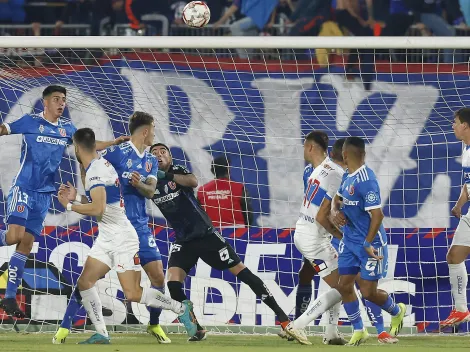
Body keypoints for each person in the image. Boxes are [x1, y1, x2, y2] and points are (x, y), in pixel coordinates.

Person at [149, 143, 310, 344]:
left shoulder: (177, 172)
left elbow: (192, 181)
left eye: (163, 151)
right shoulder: (151, 183)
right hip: (183, 240)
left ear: (170, 157)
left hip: (206, 235)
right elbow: (142, 190)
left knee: (244, 274)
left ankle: (285, 321)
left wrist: (167, 176)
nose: (158, 155)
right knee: (173, 283)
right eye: (154, 153)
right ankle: (197, 329)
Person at [55, 128, 197, 344]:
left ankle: (179, 308)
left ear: (76, 148)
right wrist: (80, 198)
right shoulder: (100, 164)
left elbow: (99, 209)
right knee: (85, 282)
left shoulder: (96, 170)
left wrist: (68, 204)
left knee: (132, 293)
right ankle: (102, 333)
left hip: (122, 236)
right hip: (107, 235)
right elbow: (104, 202)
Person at [0, 85, 124, 319]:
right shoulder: (30, 121)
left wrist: (113, 142)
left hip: (44, 195)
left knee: (25, 245)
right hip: (23, 188)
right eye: (56, 99)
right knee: (14, 236)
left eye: (63, 100)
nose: (61, 103)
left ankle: (8, 297)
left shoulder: (68, 128)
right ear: (45, 103)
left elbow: (87, 146)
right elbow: (4, 129)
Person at [285, 134, 398, 344]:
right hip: (314, 238)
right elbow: (322, 216)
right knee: (342, 286)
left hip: (304, 230)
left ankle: (331, 333)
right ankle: (297, 326)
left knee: (342, 281)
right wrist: (342, 235)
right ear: (346, 157)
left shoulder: (320, 169)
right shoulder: (340, 175)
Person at [330, 136, 405, 346]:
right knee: (344, 285)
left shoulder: (366, 180)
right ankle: (359, 330)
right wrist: (336, 211)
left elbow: (378, 215)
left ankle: (397, 311)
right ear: (362, 154)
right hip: (350, 240)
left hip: (371, 244)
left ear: (344, 154)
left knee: (368, 292)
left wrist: (367, 243)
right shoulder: (347, 175)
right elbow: (337, 200)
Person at [440, 108, 470, 327]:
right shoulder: (467, 151)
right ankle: (461, 310)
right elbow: (468, 183)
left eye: (455, 122)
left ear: (466, 125)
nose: (453, 126)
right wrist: (459, 204)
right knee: (454, 256)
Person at [197, 155, 253, 228]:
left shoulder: (202, 190)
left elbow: (198, 215)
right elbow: (248, 214)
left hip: (212, 233)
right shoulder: (239, 188)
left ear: (212, 171)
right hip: (237, 231)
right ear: (228, 169)